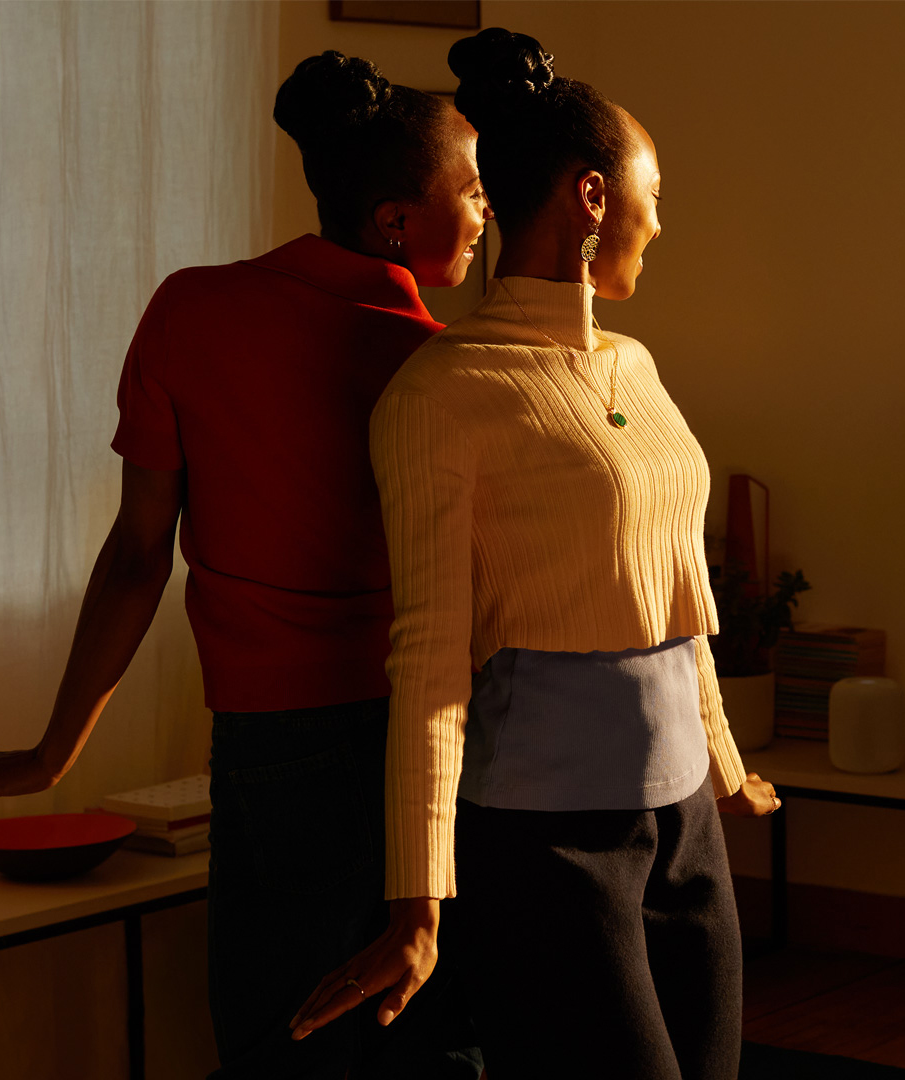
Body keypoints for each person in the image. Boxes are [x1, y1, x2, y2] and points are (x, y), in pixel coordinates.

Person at [0, 51, 489, 1080]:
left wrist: (54, 750)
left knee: (279, 1033)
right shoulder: (439, 362)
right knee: (416, 1035)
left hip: (273, 751)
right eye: (473, 187)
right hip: (427, 749)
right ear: (396, 218)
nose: (485, 210)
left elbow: (139, 556)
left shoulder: (191, 312)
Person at [286, 28, 780, 1080]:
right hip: (545, 843)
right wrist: (417, 902)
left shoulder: (636, 367)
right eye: (655, 190)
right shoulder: (443, 393)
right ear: (594, 196)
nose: (664, 216)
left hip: (686, 821)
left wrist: (726, 765)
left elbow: (673, 593)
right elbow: (426, 660)